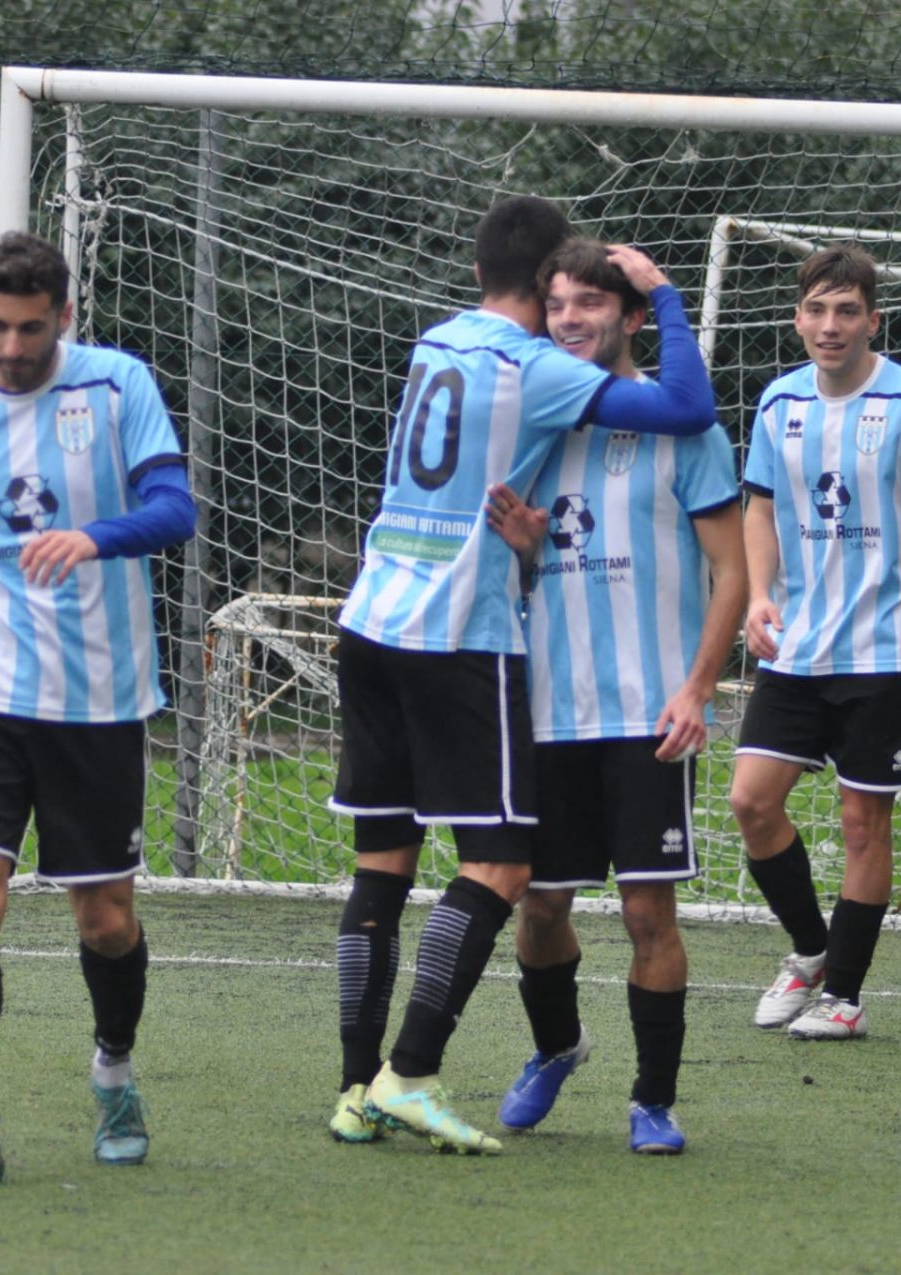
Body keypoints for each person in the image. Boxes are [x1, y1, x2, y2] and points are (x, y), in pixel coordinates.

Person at [327, 196, 718, 1155]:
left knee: (383, 865)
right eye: (563, 297)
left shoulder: (435, 343)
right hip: (456, 632)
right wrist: (667, 295)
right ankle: (409, 1075)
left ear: (475, 272)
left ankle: (354, 1088)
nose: (573, 315)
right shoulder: (538, 370)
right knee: (505, 869)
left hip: (371, 615)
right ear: (544, 290)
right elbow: (688, 404)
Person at [0, 231, 197, 1184]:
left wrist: (95, 538)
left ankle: (114, 1069)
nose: (12, 346)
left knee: (105, 916)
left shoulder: (117, 386)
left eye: (29, 327)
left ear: (64, 315)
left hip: (97, 694)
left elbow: (175, 508)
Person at [478, 238, 745, 1154]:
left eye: (590, 304)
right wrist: (526, 549)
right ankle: (557, 1046)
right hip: (551, 712)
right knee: (539, 904)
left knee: (644, 912)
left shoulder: (684, 431)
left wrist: (699, 687)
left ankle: (653, 1101)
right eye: (557, 305)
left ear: (632, 317)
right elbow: (517, 579)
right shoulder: (531, 427)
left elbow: (733, 572)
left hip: (649, 713)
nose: (570, 320)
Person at [730, 245, 901, 1039]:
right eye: (816, 309)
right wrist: (759, 594)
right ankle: (812, 948)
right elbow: (759, 507)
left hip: (891, 651)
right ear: (797, 318)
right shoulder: (778, 404)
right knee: (751, 800)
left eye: (846, 310)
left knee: (863, 822)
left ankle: (843, 996)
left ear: (873, 319)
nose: (829, 325)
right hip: (799, 647)